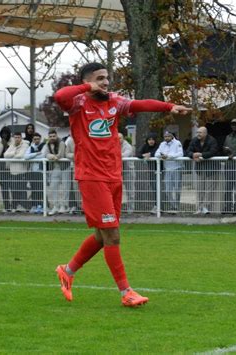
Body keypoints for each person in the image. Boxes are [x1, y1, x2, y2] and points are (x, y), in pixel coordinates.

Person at [53, 62, 190, 306]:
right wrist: (86, 87)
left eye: (107, 78)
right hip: (92, 176)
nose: (106, 82)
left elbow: (140, 104)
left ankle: (68, 270)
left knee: (101, 234)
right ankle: (126, 292)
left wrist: (170, 106)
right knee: (112, 235)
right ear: (88, 81)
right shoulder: (78, 103)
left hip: (113, 176)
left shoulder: (114, 101)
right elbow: (59, 95)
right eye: (100, 78)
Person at [186, 126, 219, 214]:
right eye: (197, 132)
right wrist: (193, 155)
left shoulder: (212, 140)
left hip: (211, 169)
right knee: (200, 189)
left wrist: (201, 155)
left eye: (200, 132)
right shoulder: (194, 140)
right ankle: (199, 208)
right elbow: (188, 151)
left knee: (209, 190)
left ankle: (206, 207)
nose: (198, 134)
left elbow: (213, 152)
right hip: (200, 169)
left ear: (205, 133)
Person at [154, 131, 184, 214]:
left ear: (172, 136)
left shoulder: (177, 143)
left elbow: (180, 154)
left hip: (177, 168)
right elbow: (156, 154)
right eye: (165, 136)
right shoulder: (162, 144)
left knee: (177, 189)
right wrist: (162, 156)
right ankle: (173, 206)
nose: (166, 138)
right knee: (168, 190)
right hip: (167, 169)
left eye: (168, 136)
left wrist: (169, 156)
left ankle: (177, 207)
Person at [42, 129, 69, 215]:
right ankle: (55, 205)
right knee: (53, 187)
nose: (52, 138)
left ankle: (63, 206)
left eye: (54, 136)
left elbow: (61, 155)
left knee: (65, 188)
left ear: (56, 135)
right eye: (50, 136)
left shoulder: (61, 143)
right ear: (48, 137)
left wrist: (53, 157)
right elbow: (46, 154)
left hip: (65, 167)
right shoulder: (48, 144)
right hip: (56, 167)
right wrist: (53, 157)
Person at [4, 131, 30, 212]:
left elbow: (21, 155)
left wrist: (11, 156)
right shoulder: (12, 145)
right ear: (13, 138)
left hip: (22, 172)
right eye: (15, 137)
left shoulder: (25, 145)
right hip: (13, 172)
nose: (17, 139)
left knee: (22, 190)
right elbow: (5, 155)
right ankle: (15, 207)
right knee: (14, 190)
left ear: (21, 138)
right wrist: (14, 152)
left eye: (18, 137)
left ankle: (24, 207)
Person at [222, 119, 236, 213]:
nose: (234, 126)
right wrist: (226, 150)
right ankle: (227, 207)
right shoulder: (228, 137)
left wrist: (234, 154)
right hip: (229, 165)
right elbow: (223, 148)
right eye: (232, 125)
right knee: (228, 187)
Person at [137, 133, 159, 213]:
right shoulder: (145, 146)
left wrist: (150, 154)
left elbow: (158, 153)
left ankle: (160, 206)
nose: (151, 141)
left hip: (161, 170)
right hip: (152, 171)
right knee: (154, 188)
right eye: (149, 139)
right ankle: (156, 206)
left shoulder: (158, 146)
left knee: (160, 189)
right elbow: (138, 154)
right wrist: (144, 155)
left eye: (153, 139)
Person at [25, 132, 45, 214]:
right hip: (32, 172)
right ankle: (34, 205)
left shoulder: (44, 146)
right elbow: (26, 157)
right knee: (34, 189)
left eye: (38, 139)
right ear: (33, 139)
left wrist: (32, 156)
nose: (36, 140)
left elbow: (43, 156)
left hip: (41, 171)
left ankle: (41, 206)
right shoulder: (31, 147)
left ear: (40, 139)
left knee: (40, 190)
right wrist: (36, 153)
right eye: (35, 139)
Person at [0, 126, 14, 213]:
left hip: (10, 167)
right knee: (4, 188)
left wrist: (6, 145)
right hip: (1, 168)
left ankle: (13, 206)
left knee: (13, 187)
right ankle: (6, 206)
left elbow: (11, 153)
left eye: (6, 133)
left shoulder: (13, 142)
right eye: (3, 133)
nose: (4, 135)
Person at [64, 134, 82, 214]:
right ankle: (80, 206)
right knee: (76, 187)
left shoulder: (86, 138)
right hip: (75, 167)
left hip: (88, 167)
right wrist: (76, 156)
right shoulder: (70, 141)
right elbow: (67, 153)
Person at [119, 132, 136, 214]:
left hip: (128, 171)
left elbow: (125, 155)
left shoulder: (128, 146)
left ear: (123, 138)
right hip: (118, 171)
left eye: (120, 138)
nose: (118, 140)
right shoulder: (113, 145)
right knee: (117, 191)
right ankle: (117, 209)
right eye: (116, 138)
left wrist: (114, 155)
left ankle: (130, 210)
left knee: (130, 191)